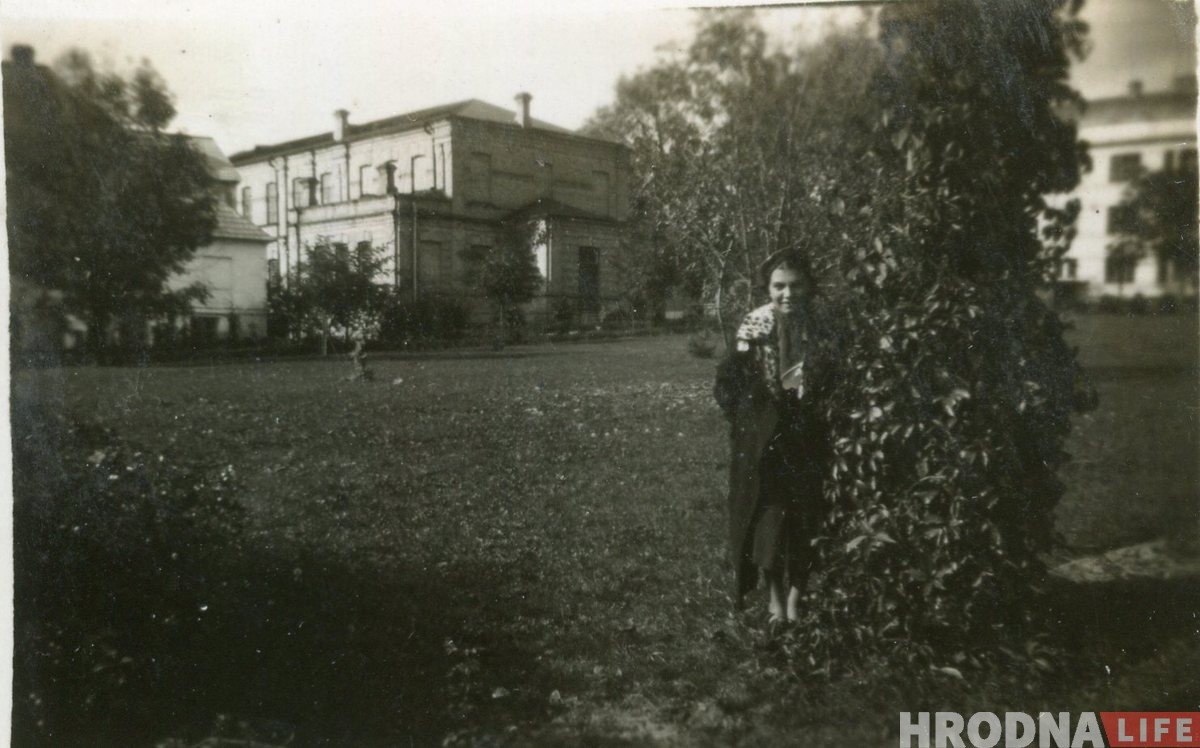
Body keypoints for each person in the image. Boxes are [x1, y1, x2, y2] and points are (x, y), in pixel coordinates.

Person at [714, 250, 830, 622]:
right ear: (767, 288)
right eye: (779, 286)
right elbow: (729, 385)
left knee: (807, 515)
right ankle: (776, 597)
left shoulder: (821, 328)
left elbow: (835, 378)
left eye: (796, 285)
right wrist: (749, 423)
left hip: (809, 434)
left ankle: (798, 594)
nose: (788, 294)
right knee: (770, 517)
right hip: (768, 438)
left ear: (809, 287)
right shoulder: (755, 326)